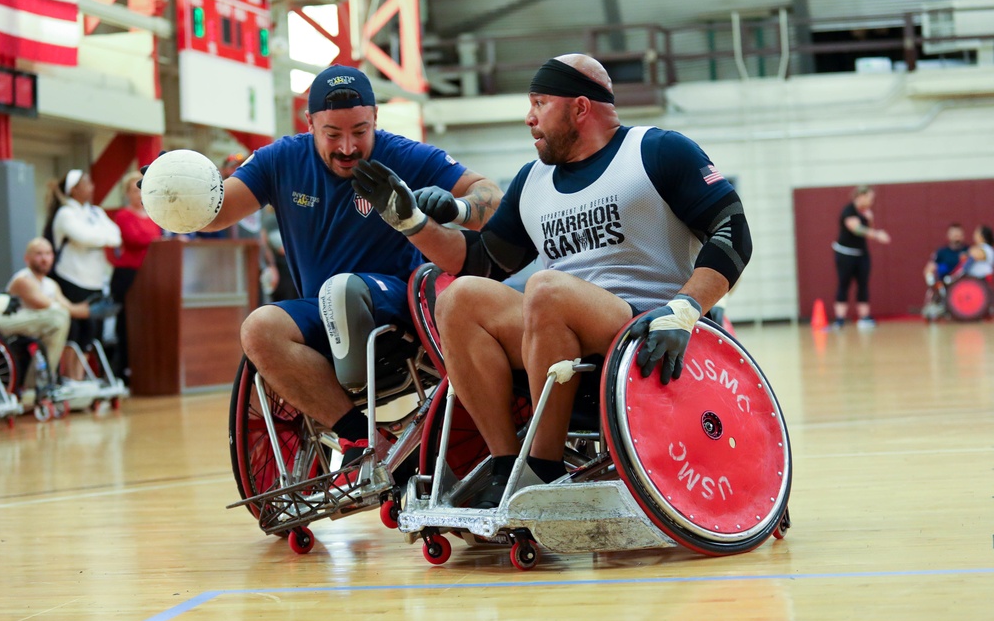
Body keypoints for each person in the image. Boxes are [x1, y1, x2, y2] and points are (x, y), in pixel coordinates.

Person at [352, 53, 752, 507]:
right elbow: (480, 263)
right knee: (460, 298)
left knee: (545, 287)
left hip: (641, 328)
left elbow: (733, 230)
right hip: (556, 325)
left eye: (540, 103)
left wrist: (684, 310)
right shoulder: (532, 180)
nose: (529, 117)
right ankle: (507, 465)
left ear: (580, 108)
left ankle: (541, 466)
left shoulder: (658, 150)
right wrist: (412, 223)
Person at [143, 65, 502, 462]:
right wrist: (174, 193)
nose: (347, 147)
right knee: (259, 328)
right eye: (332, 134)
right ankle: (359, 439)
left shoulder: (404, 154)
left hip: (395, 305)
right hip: (321, 312)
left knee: (342, 289)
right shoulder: (280, 160)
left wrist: (459, 205)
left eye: (360, 132)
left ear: (375, 119)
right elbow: (219, 210)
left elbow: (490, 194)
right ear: (309, 122)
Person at [0, 238, 117, 383]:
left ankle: (75, 378)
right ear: (27, 258)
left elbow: (68, 306)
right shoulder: (23, 280)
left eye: (48, 254)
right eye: (39, 254)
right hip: (16, 327)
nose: (44, 259)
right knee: (61, 318)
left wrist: (90, 308)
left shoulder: (51, 284)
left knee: (85, 324)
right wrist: (89, 310)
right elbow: (49, 306)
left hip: (39, 328)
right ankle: (43, 382)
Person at [44, 170, 122, 363]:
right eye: (86, 183)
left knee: (92, 333)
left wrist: (98, 238)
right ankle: (70, 378)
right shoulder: (65, 213)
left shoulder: (96, 212)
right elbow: (85, 237)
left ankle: (80, 378)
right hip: (70, 278)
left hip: (94, 280)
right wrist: (101, 238)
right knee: (74, 332)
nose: (92, 187)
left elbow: (116, 236)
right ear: (74, 189)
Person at [107, 171, 163, 379]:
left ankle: (144, 368)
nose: (139, 193)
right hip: (127, 275)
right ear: (127, 193)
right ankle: (123, 369)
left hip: (148, 275)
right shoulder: (123, 215)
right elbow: (134, 239)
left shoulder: (153, 215)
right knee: (126, 324)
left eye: (142, 188)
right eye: (134, 189)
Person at [831, 185, 890, 329]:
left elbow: (866, 230)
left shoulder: (865, 212)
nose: (872, 201)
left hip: (861, 253)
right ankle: (840, 319)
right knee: (844, 284)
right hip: (845, 254)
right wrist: (877, 234)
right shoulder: (849, 210)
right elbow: (856, 229)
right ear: (860, 196)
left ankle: (864, 317)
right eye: (870, 198)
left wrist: (870, 220)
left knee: (863, 284)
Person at [923, 223, 968, 287]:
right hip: (945, 287)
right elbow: (929, 269)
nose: (957, 238)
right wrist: (932, 282)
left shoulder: (969, 251)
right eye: (954, 235)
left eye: (959, 235)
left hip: (963, 286)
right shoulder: (941, 252)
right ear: (948, 235)